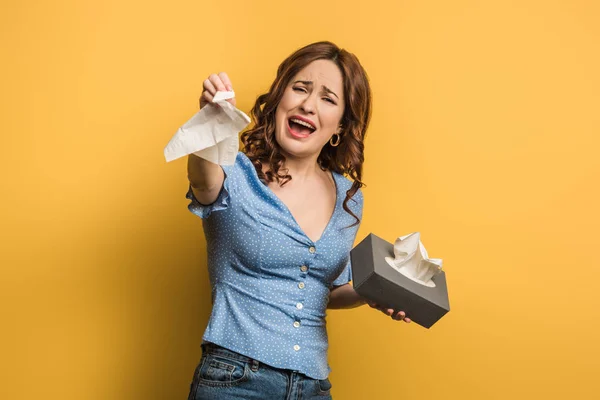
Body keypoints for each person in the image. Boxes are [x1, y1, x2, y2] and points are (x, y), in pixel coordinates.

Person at [185, 41, 410, 400]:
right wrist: (210, 124)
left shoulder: (348, 198)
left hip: (313, 387)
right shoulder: (233, 172)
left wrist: (378, 290)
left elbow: (326, 290)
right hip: (235, 380)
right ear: (279, 100)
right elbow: (202, 180)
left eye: (328, 98)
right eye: (300, 88)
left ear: (340, 125)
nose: (308, 104)